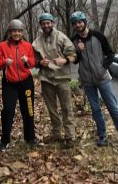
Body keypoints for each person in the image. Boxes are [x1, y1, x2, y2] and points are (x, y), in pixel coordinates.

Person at [70, 11, 118, 147]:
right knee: (95, 109)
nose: (78, 25)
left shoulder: (97, 36)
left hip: (103, 79)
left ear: (84, 22)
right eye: (75, 23)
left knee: (113, 108)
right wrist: (78, 51)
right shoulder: (74, 41)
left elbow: (111, 54)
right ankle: (102, 136)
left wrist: (102, 68)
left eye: (80, 22)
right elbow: (75, 61)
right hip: (87, 80)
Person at [32, 13, 77, 147]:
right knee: (52, 109)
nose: (46, 25)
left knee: (66, 108)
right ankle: (56, 133)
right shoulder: (36, 42)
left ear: (53, 23)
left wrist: (65, 60)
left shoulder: (62, 37)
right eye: (43, 23)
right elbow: (33, 61)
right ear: (40, 25)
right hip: (46, 79)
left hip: (62, 77)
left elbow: (73, 55)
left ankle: (70, 136)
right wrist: (40, 63)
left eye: (48, 23)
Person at [0, 19, 37, 151]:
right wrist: (4, 62)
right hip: (9, 83)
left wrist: (27, 61)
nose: (17, 34)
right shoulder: (2, 46)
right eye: (14, 31)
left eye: (19, 31)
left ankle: (30, 138)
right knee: (8, 111)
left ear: (22, 33)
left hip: (26, 82)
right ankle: (5, 140)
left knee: (28, 110)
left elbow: (33, 63)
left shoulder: (28, 46)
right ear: (10, 32)